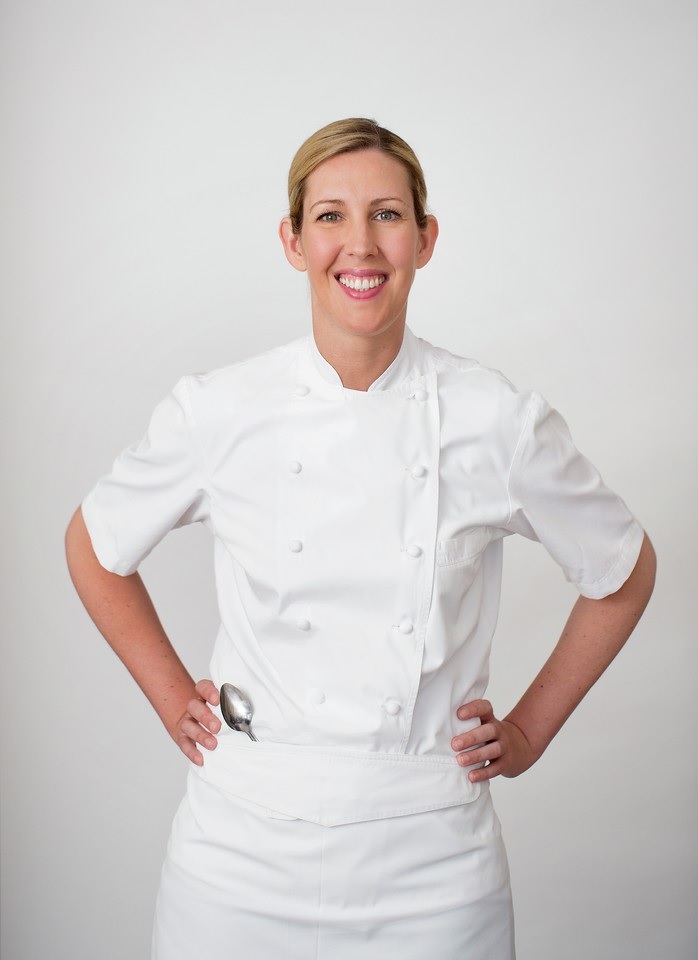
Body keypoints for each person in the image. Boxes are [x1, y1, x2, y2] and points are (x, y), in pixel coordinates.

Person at [65, 118, 656, 959]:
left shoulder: (496, 419)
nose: (361, 245)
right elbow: (94, 543)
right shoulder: (219, 410)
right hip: (238, 855)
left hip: (434, 861)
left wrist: (529, 731)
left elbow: (623, 570)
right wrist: (169, 695)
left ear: (425, 238)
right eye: (330, 216)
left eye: (386, 215)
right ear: (293, 241)